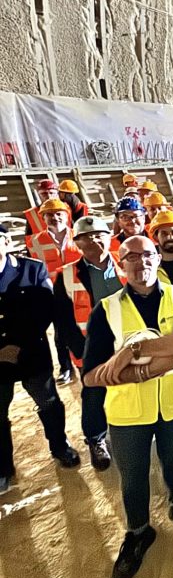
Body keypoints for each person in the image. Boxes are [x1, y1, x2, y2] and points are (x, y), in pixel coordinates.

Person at [82, 235, 173, 578]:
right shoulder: (106, 310)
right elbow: (92, 375)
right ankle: (138, 531)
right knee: (134, 474)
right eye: (132, 257)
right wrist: (143, 369)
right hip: (128, 414)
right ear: (121, 263)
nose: (142, 263)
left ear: (158, 258)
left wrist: (132, 349)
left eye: (148, 255)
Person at [0, 225, 80, 493]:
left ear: (7, 240)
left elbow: (45, 309)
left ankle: (60, 446)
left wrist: (17, 345)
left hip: (31, 352)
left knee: (49, 403)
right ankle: (3, 467)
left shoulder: (31, 269)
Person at [54, 215, 125, 470]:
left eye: (100, 234)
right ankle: (96, 440)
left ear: (109, 237)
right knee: (94, 393)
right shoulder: (66, 275)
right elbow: (62, 318)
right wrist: (79, 350)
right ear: (77, 243)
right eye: (87, 237)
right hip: (91, 345)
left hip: (128, 340)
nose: (95, 240)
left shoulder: (127, 263)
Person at [27, 197, 81, 383]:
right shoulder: (34, 242)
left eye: (59, 214)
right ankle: (65, 367)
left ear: (66, 216)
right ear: (43, 218)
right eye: (49, 215)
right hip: (53, 295)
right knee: (60, 333)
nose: (55, 217)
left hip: (78, 291)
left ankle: (83, 360)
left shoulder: (79, 235)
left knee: (83, 328)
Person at [24, 178, 61, 246]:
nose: (49, 196)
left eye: (51, 193)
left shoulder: (67, 209)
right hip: (46, 252)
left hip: (68, 251)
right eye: (44, 193)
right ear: (39, 195)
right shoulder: (32, 214)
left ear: (57, 193)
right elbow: (29, 239)